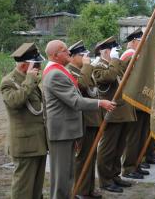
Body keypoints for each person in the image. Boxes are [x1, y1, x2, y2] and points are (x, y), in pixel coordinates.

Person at [42, 40, 115, 199]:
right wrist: (100, 103)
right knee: (61, 177)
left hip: (66, 130)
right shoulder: (55, 73)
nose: (68, 52)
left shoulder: (59, 70)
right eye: (64, 50)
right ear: (55, 55)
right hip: (62, 132)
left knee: (67, 175)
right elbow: (75, 100)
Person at [0, 43, 47, 199]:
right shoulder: (9, 81)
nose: (39, 67)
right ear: (25, 65)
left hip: (38, 142)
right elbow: (14, 102)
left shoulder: (31, 80)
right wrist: (29, 80)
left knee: (36, 187)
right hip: (24, 145)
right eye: (37, 64)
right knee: (23, 189)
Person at [93, 36, 137, 193]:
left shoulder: (113, 64)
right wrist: (114, 60)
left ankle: (115, 175)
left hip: (122, 110)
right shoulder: (97, 66)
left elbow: (125, 74)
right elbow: (110, 77)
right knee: (108, 148)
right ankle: (105, 180)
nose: (115, 53)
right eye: (112, 50)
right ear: (105, 52)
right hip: (110, 112)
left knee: (119, 147)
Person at [66, 40, 102, 199]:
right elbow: (82, 85)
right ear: (72, 57)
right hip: (83, 121)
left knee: (91, 156)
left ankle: (88, 189)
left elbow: (94, 90)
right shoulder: (71, 72)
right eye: (81, 55)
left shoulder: (83, 70)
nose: (85, 57)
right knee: (83, 158)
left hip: (92, 119)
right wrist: (87, 66)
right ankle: (80, 190)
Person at [118, 29, 152, 179]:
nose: (143, 42)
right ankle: (129, 167)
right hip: (133, 101)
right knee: (133, 137)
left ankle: (136, 164)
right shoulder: (129, 55)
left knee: (141, 135)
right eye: (140, 40)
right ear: (132, 41)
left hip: (142, 99)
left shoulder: (137, 54)